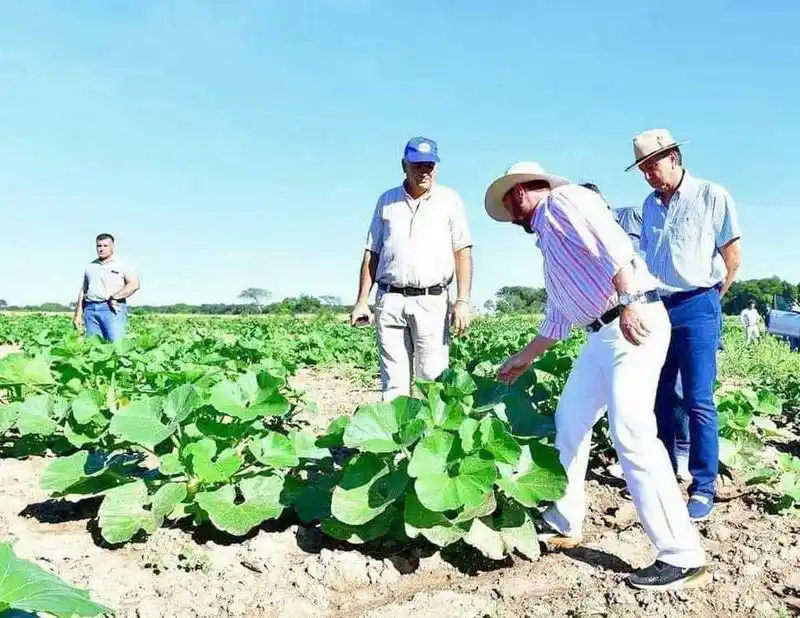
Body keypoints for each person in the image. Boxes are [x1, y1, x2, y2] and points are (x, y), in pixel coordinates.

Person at [485, 161, 707, 590]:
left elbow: (613, 243)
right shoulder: (549, 237)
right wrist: (524, 357)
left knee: (632, 435)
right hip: (601, 334)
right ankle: (564, 519)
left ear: (522, 191)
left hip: (629, 322)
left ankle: (682, 556)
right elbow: (559, 316)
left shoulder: (564, 201)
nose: (510, 215)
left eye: (508, 204)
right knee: (570, 420)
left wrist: (630, 301)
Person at [629, 129, 742, 521]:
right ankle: (664, 477)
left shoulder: (711, 195)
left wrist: (711, 298)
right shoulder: (649, 204)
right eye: (643, 169)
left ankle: (703, 485)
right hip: (659, 307)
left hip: (698, 303)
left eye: (653, 166)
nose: (648, 175)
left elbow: (732, 257)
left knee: (698, 398)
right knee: (661, 396)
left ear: (674, 157)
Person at [349, 137, 473, 400]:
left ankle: (430, 427)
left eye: (429, 165)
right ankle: (400, 428)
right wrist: (361, 301)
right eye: (417, 165)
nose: (424, 171)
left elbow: (462, 251)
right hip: (390, 299)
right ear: (404, 166)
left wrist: (462, 300)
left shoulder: (449, 200)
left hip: (432, 300)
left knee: (432, 379)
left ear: (436, 166)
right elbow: (372, 252)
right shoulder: (387, 201)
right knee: (393, 383)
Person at [73, 234, 140, 342]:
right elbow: (84, 291)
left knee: (116, 344)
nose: (101, 249)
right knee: (93, 346)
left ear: (112, 247)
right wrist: (78, 315)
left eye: (105, 246)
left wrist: (115, 297)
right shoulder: (91, 266)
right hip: (90, 309)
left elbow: (134, 284)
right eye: (99, 246)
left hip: (111, 309)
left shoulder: (122, 265)